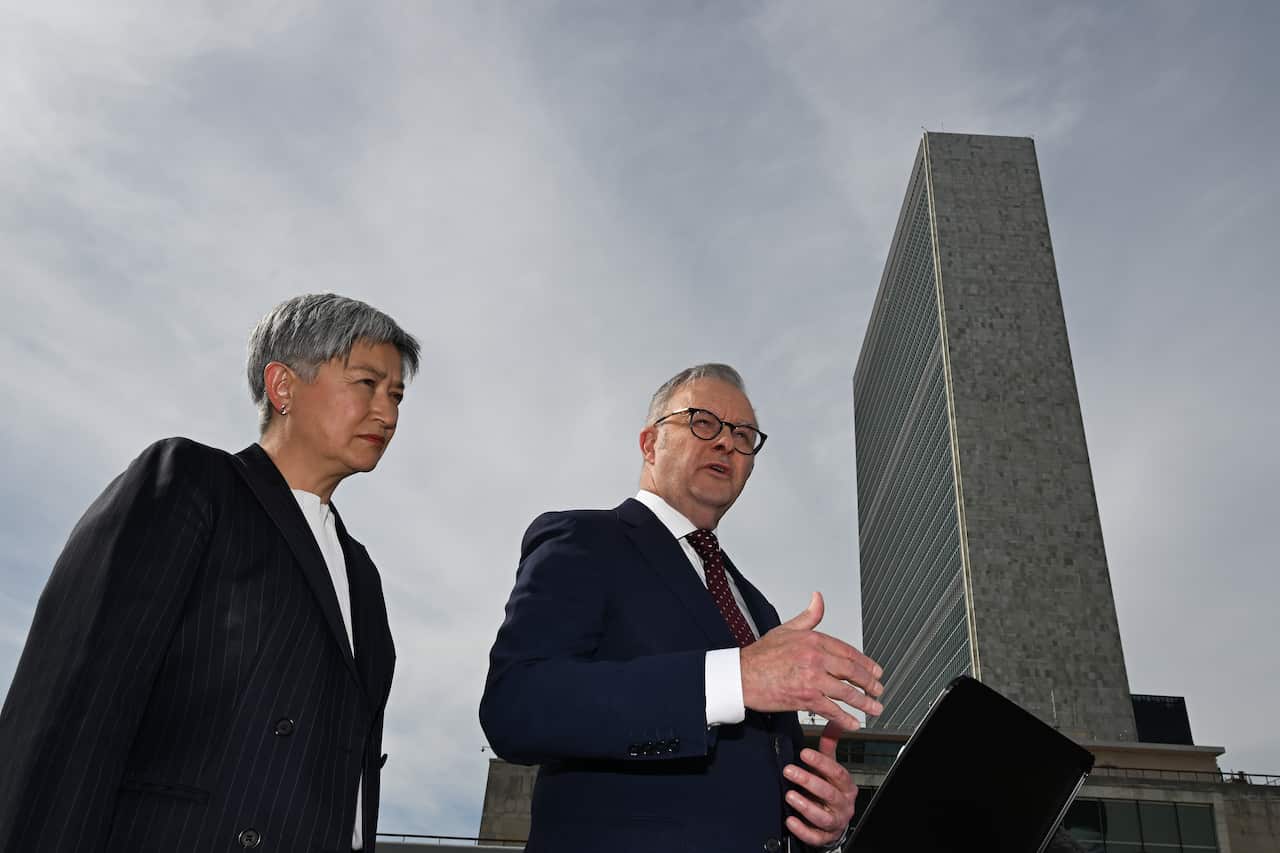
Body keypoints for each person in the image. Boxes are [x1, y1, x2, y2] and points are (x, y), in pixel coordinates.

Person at [0, 293, 419, 853]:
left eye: (396, 395)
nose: (387, 414)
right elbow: (73, 706)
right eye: (366, 384)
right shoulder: (190, 485)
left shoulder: (362, 576)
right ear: (284, 386)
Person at [480, 363, 886, 852]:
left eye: (743, 434)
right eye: (703, 421)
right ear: (650, 444)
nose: (726, 443)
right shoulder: (584, 539)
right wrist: (734, 678)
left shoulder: (758, 607)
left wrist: (825, 821)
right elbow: (517, 707)